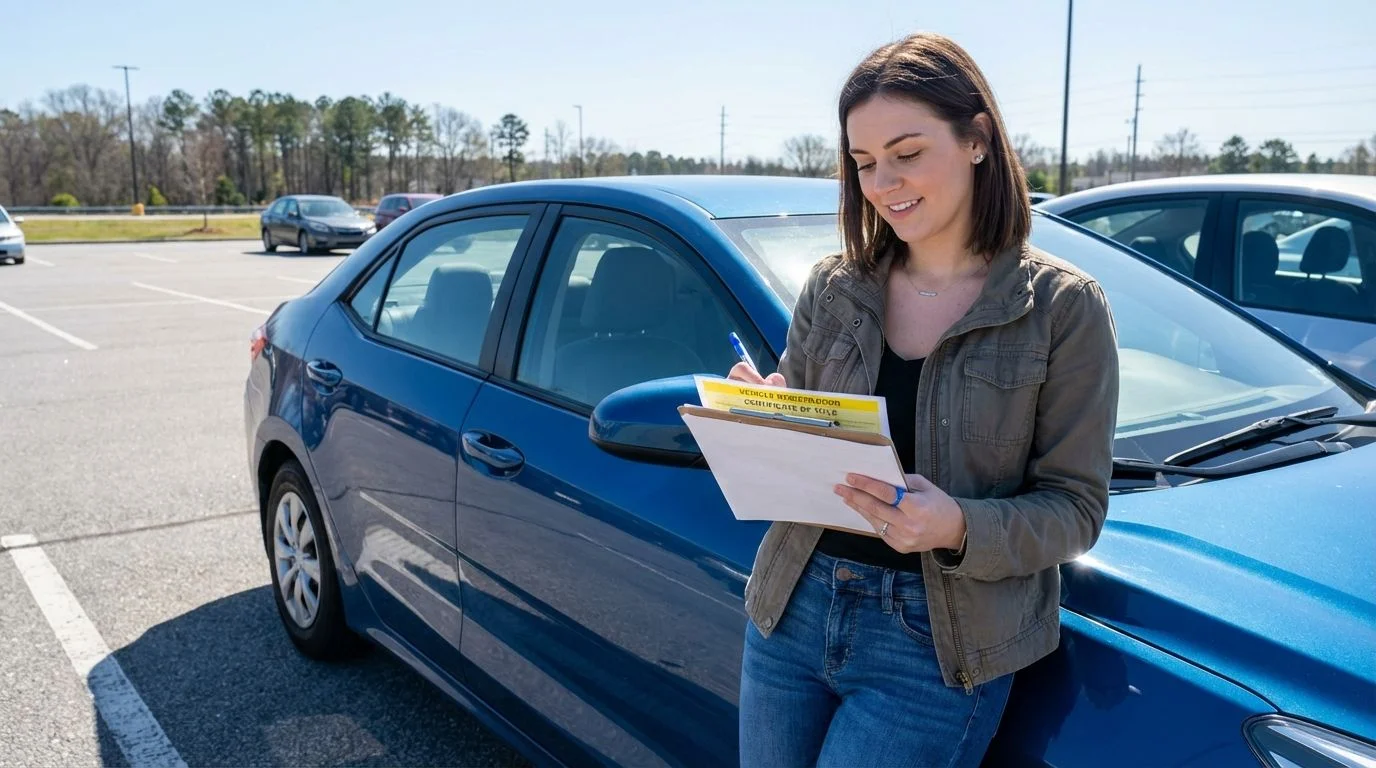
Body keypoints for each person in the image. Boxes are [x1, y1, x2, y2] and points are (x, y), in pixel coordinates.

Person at [730, 32, 1119, 767]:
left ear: (976, 139)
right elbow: (810, 455)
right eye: (864, 162)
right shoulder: (834, 286)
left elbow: (1076, 509)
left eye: (907, 154)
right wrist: (769, 418)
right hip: (792, 606)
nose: (883, 183)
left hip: (937, 648)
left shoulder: (1063, 310)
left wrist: (958, 526)